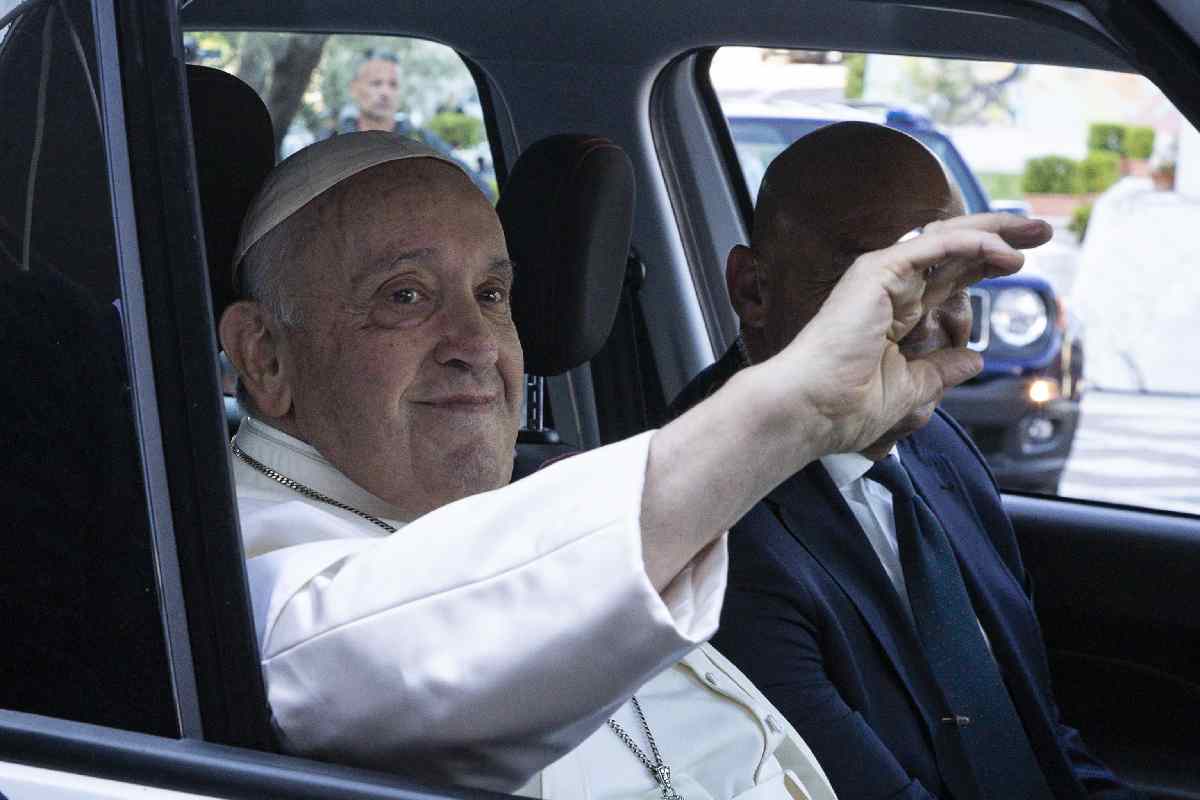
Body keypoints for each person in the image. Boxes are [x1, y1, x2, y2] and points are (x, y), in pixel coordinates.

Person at [218, 130, 1044, 795]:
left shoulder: (541, 497)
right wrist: (789, 413)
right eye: (405, 295)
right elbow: (394, 653)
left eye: (494, 296)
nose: (474, 345)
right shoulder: (235, 567)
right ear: (264, 355)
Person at [670, 122, 1142, 800]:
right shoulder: (706, 524)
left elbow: (1040, 740)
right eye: (874, 287)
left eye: (947, 284)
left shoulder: (938, 447)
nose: (923, 323)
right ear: (754, 291)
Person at [331, 49, 494, 197]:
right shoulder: (331, 144)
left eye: (393, 85)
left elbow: (481, 192)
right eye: (376, 83)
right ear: (354, 88)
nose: (385, 92)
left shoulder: (424, 143)